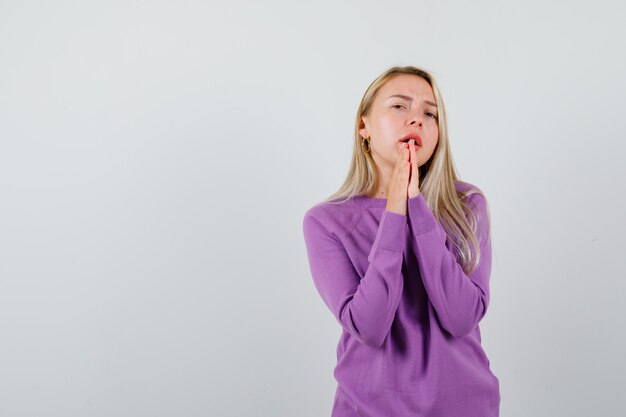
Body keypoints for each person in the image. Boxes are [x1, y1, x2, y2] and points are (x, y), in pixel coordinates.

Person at [302, 65, 500, 416]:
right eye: (399, 106)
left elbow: (462, 317)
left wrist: (418, 210)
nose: (417, 120)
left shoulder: (467, 205)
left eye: (430, 113)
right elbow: (369, 326)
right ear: (363, 127)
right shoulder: (326, 221)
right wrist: (394, 213)